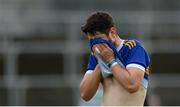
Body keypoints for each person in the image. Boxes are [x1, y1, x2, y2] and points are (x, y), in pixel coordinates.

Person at [80, 11, 150, 106]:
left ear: (112, 32)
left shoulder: (133, 48)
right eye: (92, 42)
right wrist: (100, 64)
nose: (96, 46)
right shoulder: (96, 55)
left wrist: (111, 61)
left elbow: (132, 85)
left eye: (98, 40)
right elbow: (85, 94)